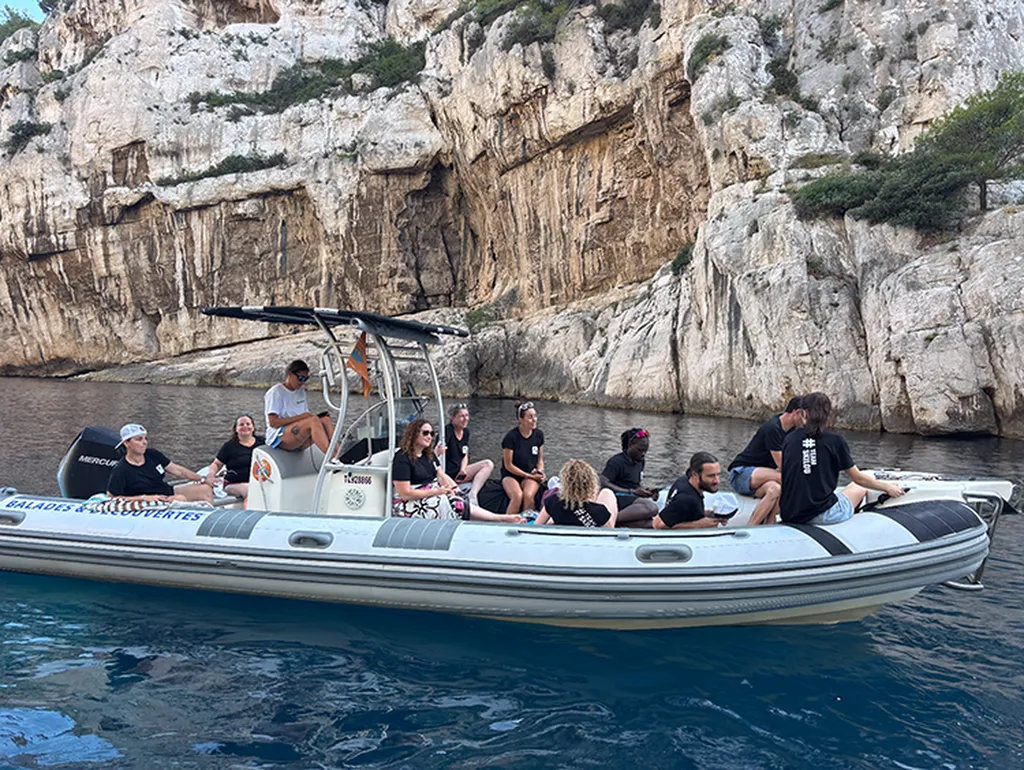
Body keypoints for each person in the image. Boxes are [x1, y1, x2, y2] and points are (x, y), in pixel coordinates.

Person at [780, 392, 905, 525]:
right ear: (828, 415)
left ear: (804, 414)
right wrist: (887, 487)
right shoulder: (835, 441)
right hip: (822, 515)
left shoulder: (789, 439)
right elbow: (858, 479)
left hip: (790, 514)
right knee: (859, 488)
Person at [392, 419, 523, 523]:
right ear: (414, 434)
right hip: (409, 503)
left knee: (458, 497)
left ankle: (496, 518)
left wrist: (453, 488)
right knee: (446, 501)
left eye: (431, 434)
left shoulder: (429, 456)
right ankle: (498, 518)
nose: (429, 437)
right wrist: (437, 492)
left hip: (430, 493)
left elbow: (441, 475)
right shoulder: (402, 458)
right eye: (425, 433)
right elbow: (405, 494)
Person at [727, 396, 806, 526]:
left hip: (760, 479)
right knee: (786, 477)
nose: (806, 422)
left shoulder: (792, 432)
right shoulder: (773, 429)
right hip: (741, 473)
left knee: (775, 489)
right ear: (797, 412)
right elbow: (783, 465)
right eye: (805, 416)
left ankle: (763, 525)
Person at [107, 424, 214, 504]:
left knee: (205, 489)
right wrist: (144, 498)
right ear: (126, 443)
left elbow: (177, 470)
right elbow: (112, 497)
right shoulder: (121, 469)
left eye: (145, 438)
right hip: (148, 501)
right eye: (139, 439)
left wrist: (202, 479)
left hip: (165, 492)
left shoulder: (153, 454)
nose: (144, 442)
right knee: (180, 499)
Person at [264, 359, 335, 455]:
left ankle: (338, 453)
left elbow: (305, 417)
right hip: (278, 436)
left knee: (325, 420)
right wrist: (302, 417)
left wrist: (309, 418)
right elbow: (273, 423)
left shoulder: (301, 391)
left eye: (305, 379)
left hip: (296, 433)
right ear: (290, 374)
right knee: (313, 421)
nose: (302, 382)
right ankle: (331, 456)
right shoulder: (276, 392)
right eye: (300, 378)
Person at [599, 428, 660, 528]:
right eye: (640, 450)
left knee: (650, 523)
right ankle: (609, 520)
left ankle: (618, 523)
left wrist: (648, 492)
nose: (643, 454)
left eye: (645, 451)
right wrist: (631, 492)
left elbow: (634, 484)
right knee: (651, 508)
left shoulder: (640, 461)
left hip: (631, 498)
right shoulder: (616, 462)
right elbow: (603, 482)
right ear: (631, 445)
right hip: (618, 497)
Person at [653, 452, 727, 529]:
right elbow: (657, 524)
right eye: (711, 476)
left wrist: (711, 514)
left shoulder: (684, 480)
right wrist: (698, 525)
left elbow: (683, 511)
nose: (717, 481)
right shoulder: (687, 499)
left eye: (718, 474)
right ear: (695, 475)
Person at [535, 460, 618, 528]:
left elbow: (536, 526)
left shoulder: (553, 501)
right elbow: (608, 534)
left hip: (563, 523)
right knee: (607, 493)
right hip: (590, 533)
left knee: (551, 521)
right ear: (591, 483)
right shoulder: (599, 511)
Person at [442, 402, 494, 506]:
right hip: (448, 474)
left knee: (488, 464)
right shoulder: (447, 431)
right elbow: (438, 455)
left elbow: (465, 453)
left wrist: (463, 470)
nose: (465, 419)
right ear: (453, 418)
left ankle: (473, 494)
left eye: (466, 415)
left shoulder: (465, 432)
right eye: (461, 416)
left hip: (459, 472)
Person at [204, 414, 265, 499]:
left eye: (248, 424)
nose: (245, 426)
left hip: (260, 481)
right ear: (236, 429)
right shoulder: (229, 446)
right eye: (241, 424)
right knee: (250, 490)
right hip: (234, 484)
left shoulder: (263, 443)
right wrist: (211, 475)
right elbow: (217, 464)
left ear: (253, 427)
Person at [501, 401, 545, 516]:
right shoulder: (511, 437)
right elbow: (508, 465)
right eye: (530, 417)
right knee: (517, 496)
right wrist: (527, 475)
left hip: (531, 473)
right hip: (511, 475)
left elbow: (540, 460)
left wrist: (540, 471)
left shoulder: (539, 435)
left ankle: (527, 521)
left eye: (535, 416)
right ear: (521, 420)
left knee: (528, 495)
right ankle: (507, 521)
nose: (534, 420)